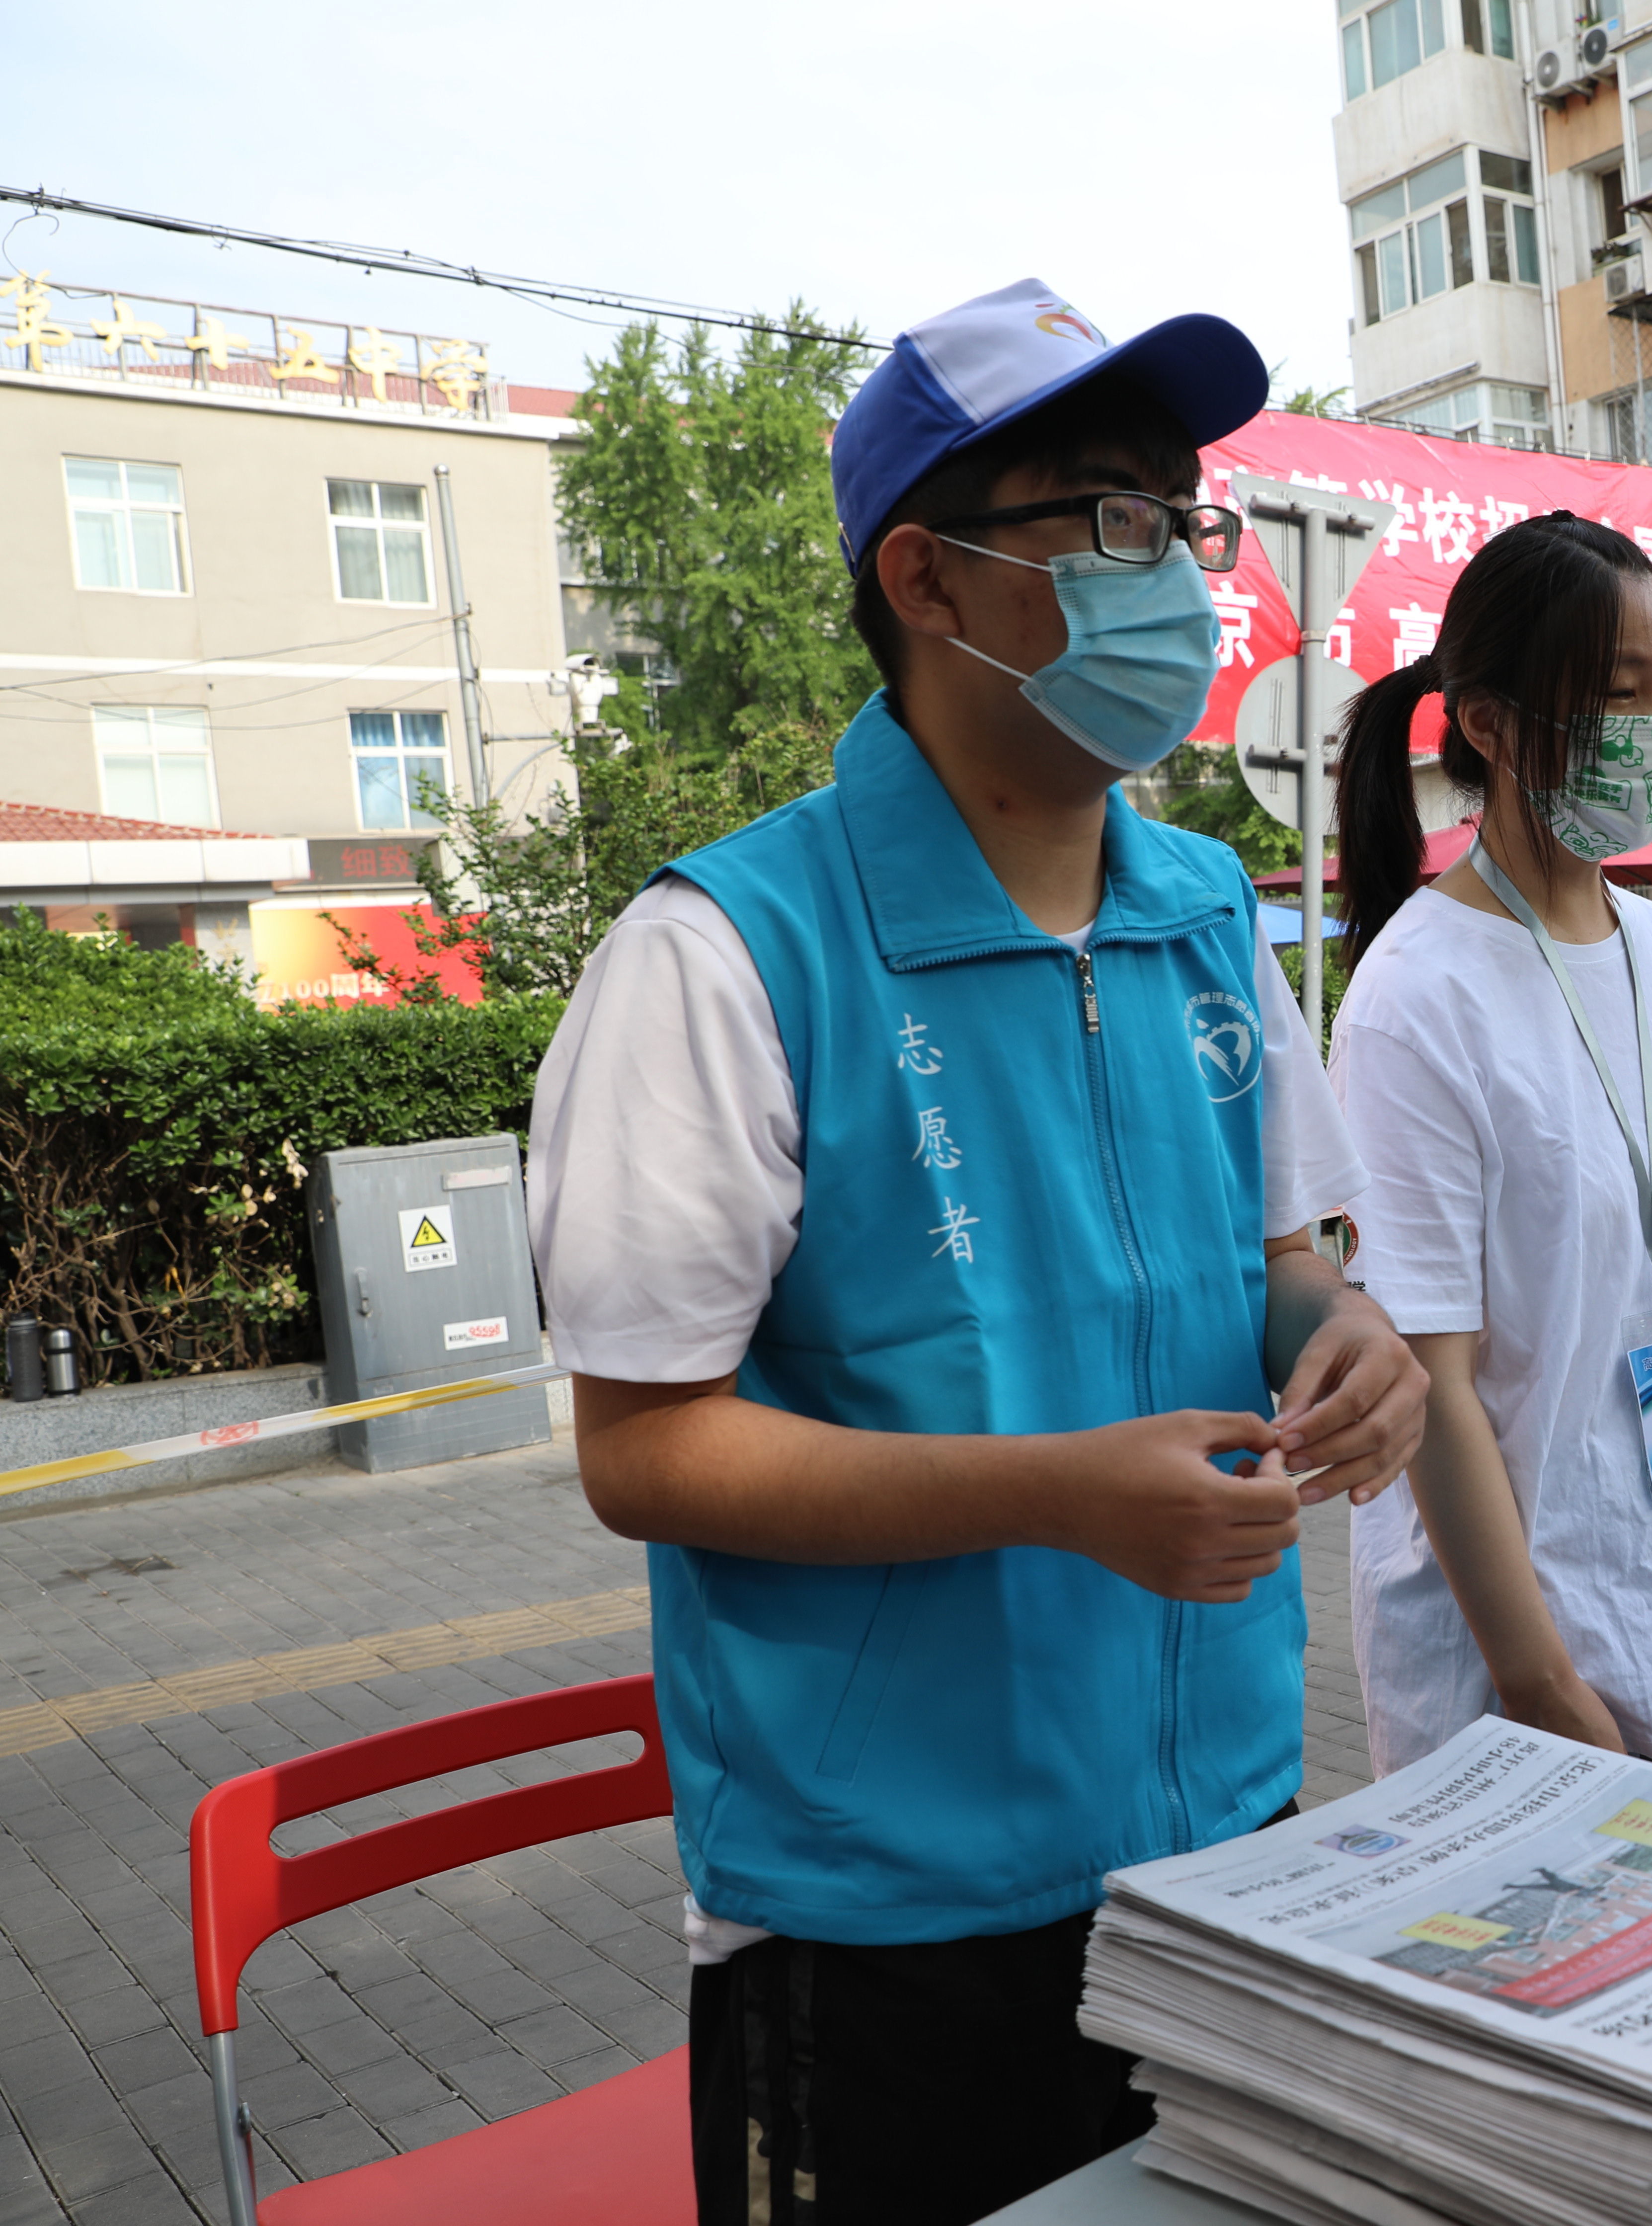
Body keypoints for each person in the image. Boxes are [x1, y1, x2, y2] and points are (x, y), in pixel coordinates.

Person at [529, 280, 1428, 2226]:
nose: (1175, 576)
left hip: (1226, 1823)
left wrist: (1349, 1337)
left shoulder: (1203, 913)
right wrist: (1053, 1496)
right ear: (927, 581)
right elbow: (645, 1450)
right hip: (890, 1906)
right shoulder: (724, 957)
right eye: (1101, 517)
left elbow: (1275, 1263)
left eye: (1184, 521)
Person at [1326, 513, 1652, 1776]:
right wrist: (1542, 1682)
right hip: (1528, 1690)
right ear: (1487, 724)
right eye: (1617, 695)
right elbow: (1429, 1384)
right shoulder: (1414, 1000)